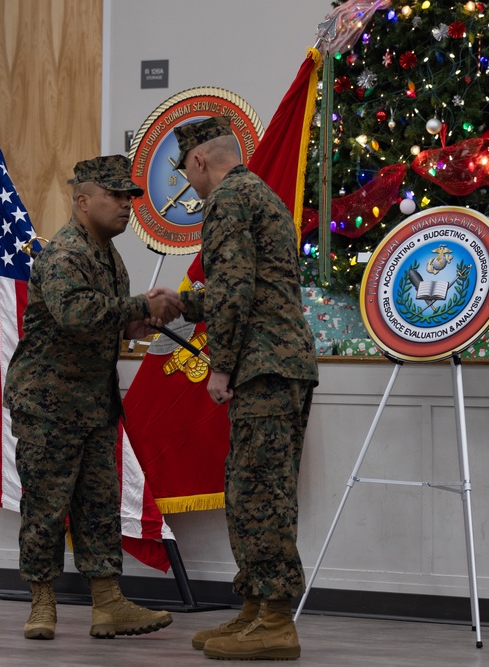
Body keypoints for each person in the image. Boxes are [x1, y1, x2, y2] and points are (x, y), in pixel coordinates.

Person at [3, 155, 180, 641]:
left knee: (99, 506)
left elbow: (102, 321)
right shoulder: (65, 252)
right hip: (50, 404)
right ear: (82, 201)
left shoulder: (108, 254)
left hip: (95, 404)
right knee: (45, 505)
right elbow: (75, 314)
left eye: (130, 197)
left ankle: (108, 603)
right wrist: (141, 305)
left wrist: (133, 323)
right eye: (116, 196)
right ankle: (41, 603)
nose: (127, 205)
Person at [174, 116, 319, 661]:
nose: (191, 184)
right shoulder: (261, 194)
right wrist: (181, 304)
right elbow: (249, 284)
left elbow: (233, 289)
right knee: (250, 488)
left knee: (260, 493)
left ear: (199, 161)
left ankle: (277, 620)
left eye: (188, 173)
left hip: (264, 365)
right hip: (279, 361)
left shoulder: (227, 200)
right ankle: (258, 609)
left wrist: (221, 364)